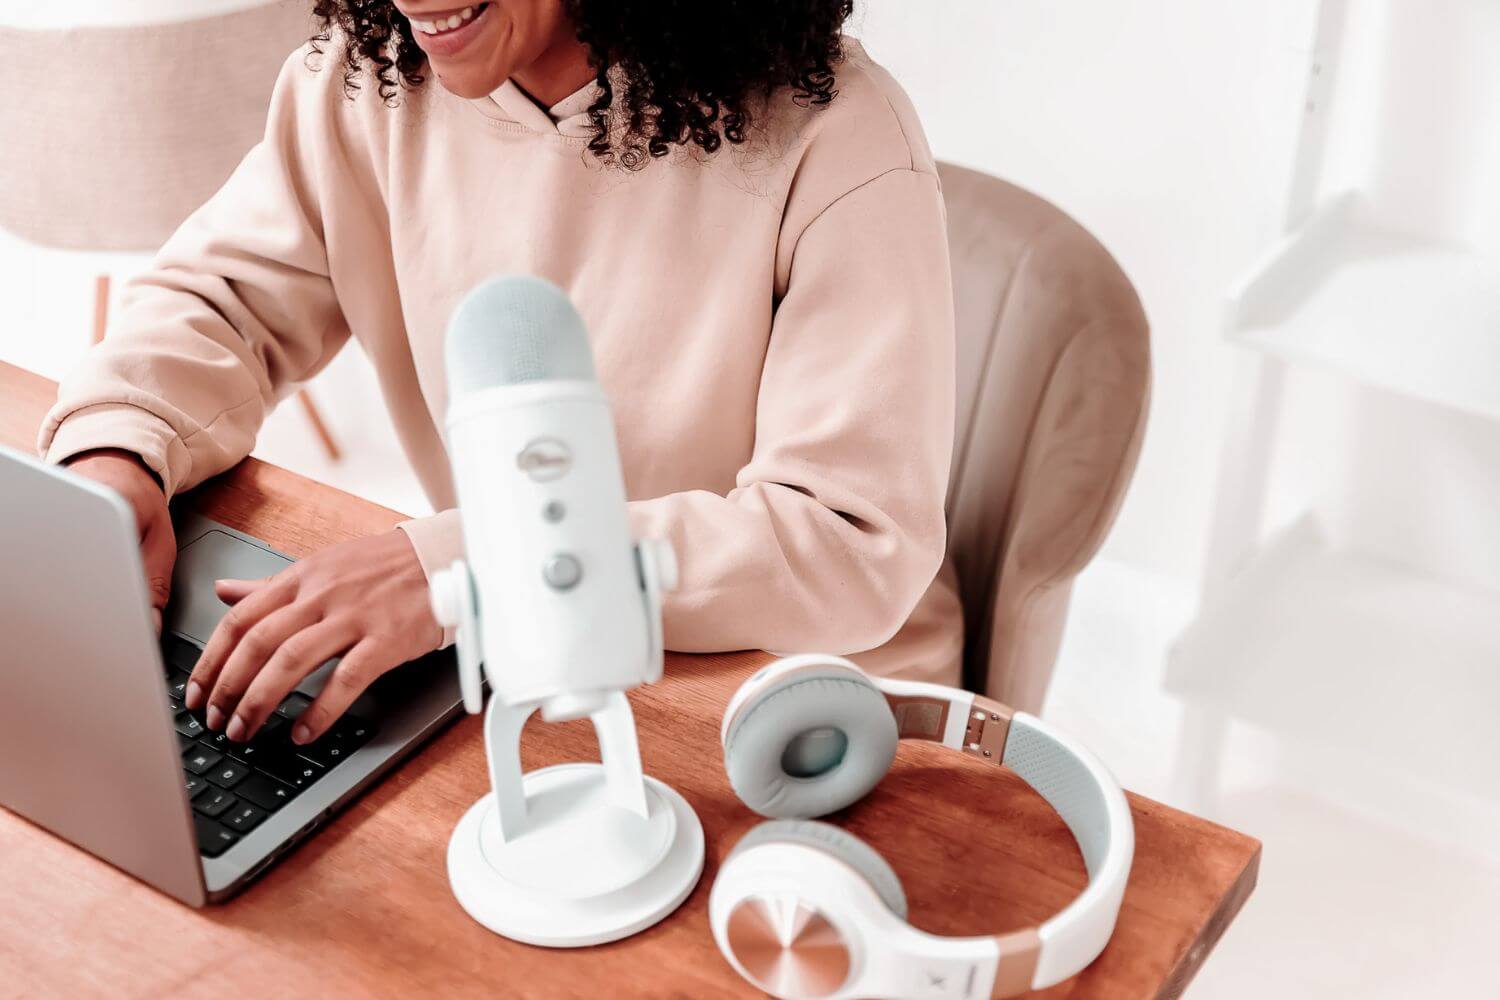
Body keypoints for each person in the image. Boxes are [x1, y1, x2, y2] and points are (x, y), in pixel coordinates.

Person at [43, 0, 960, 750]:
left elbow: (846, 542)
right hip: (519, 659)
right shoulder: (362, 85)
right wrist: (117, 451)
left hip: (785, 699)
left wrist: (462, 571)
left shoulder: (840, 140)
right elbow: (225, 299)